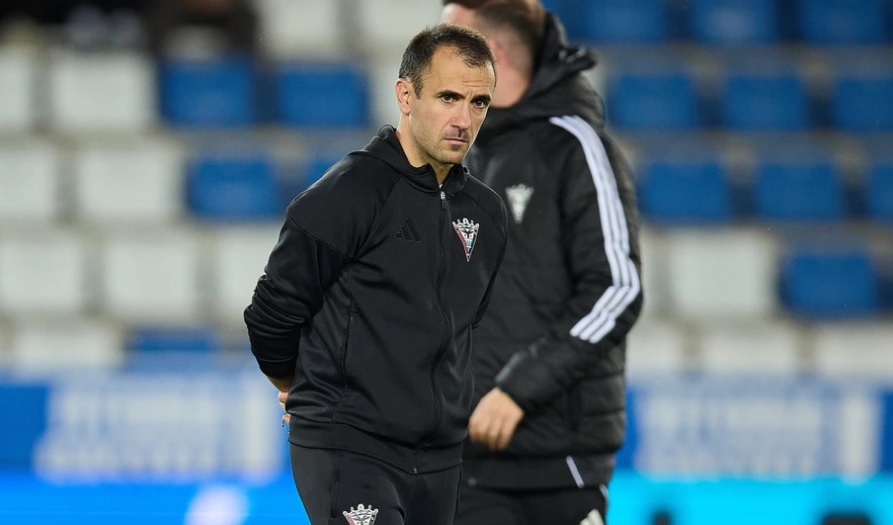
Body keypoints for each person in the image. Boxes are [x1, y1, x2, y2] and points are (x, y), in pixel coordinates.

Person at [244, 23, 508, 525]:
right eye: (448, 97)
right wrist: (302, 386)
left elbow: (463, 329)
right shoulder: (348, 193)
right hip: (349, 447)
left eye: (479, 103)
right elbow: (270, 316)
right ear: (405, 96)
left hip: (441, 461)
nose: (464, 119)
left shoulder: (487, 215)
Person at [440, 1, 644, 524]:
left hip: (560, 464)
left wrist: (518, 390)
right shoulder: (448, 160)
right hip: (462, 464)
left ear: (492, 54)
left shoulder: (576, 147)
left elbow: (616, 288)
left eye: (450, 42)